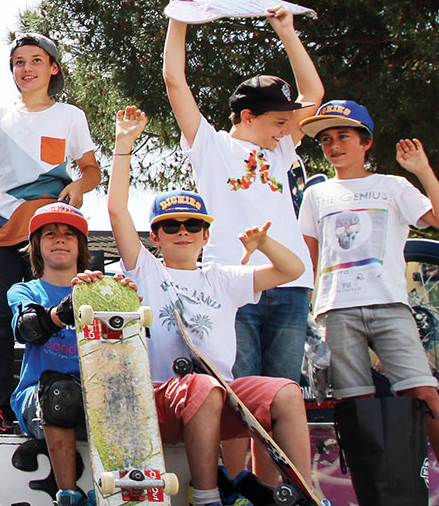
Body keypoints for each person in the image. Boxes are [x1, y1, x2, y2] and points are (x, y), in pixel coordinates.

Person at [110, 106, 315, 506]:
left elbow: (293, 269)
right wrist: (123, 145)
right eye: (171, 226)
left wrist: (265, 244)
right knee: (204, 386)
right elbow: (117, 210)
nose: (182, 232)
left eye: (193, 225)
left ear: (207, 235)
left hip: (221, 402)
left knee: (287, 391)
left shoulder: (221, 277)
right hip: (161, 401)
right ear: (155, 236)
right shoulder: (145, 270)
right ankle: (206, 496)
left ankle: (302, 494)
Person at [296, 100, 439, 505]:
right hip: (335, 310)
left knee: (424, 396)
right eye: (326, 139)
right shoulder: (316, 195)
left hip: (390, 305)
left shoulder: (393, 186)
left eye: (343, 135)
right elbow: (309, 258)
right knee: (358, 412)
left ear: (366, 142)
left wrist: (422, 170)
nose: (334, 145)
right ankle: (376, 499)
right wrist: (307, 311)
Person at [163, 0, 324, 387]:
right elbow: (175, 82)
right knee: (243, 393)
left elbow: (313, 97)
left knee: (283, 393)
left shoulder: (280, 147)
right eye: (280, 122)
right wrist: (179, 19)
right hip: (235, 282)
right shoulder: (212, 146)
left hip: (291, 282)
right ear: (248, 116)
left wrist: (287, 32)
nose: (290, 129)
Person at [0, 31, 101, 431]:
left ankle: (66, 396)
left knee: (55, 311)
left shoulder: (70, 115)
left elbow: (91, 170)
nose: (27, 68)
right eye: (19, 62)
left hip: (48, 225)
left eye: (36, 60)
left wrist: (76, 187)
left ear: (53, 67)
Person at [6, 203, 97, 506]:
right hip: (39, 398)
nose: (60, 239)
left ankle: (118, 489)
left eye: (69, 235)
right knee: (62, 391)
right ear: (36, 246)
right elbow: (28, 328)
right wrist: (62, 313)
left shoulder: (98, 289)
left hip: (94, 400)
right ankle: (69, 496)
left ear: (80, 246)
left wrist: (123, 296)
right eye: (50, 234)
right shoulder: (25, 291)